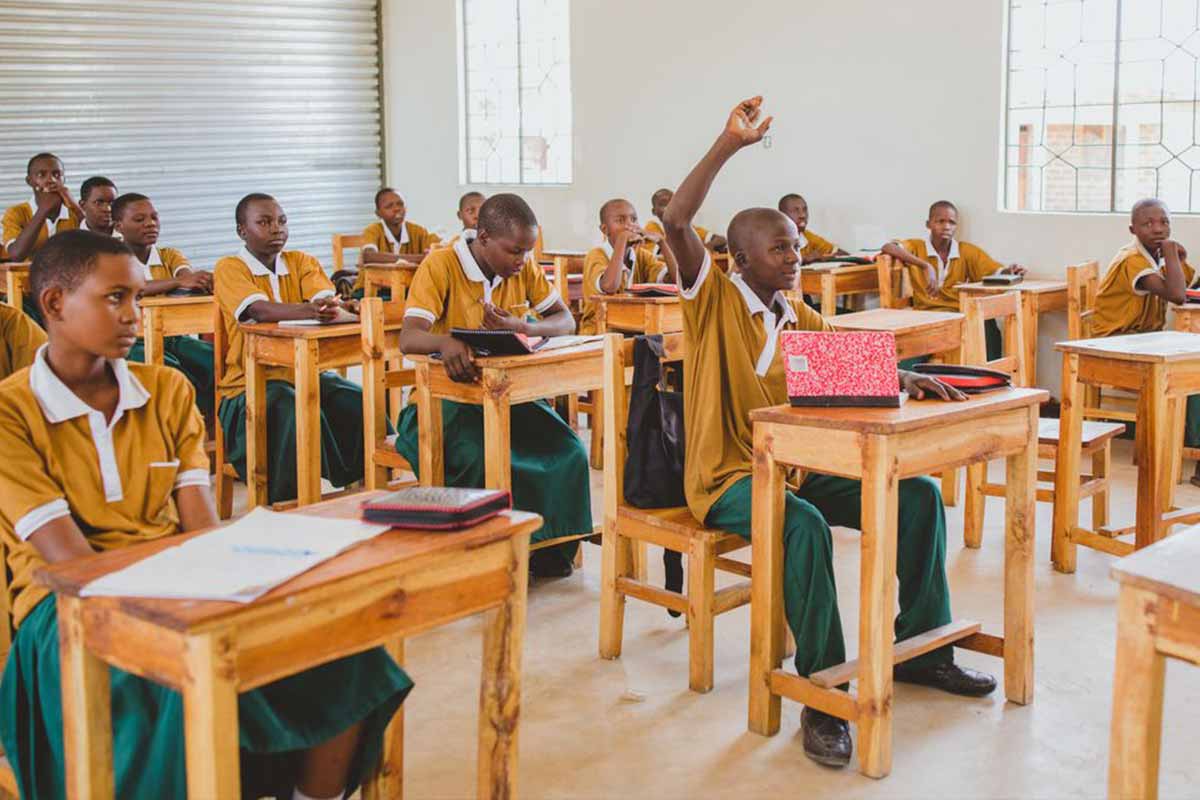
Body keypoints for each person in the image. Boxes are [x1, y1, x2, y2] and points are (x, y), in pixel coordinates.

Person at [0, 230, 410, 800]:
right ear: (53, 304)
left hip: (182, 581)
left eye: (138, 299)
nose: (133, 316)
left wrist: (248, 585)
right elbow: (70, 563)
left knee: (342, 651)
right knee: (176, 682)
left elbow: (200, 530)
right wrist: (192, 606)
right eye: (115, 298)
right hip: (66, 610)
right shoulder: (11, 411)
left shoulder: (165, 389)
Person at [664, 97, 996, 768]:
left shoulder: (796, 312)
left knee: (919, 496)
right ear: (741, 258)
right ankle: (821, 692)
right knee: (803, 525)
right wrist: (730, 142)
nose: (793, 256)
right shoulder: (713, 301)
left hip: (798, 466)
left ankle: (925, 649)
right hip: (727, 476)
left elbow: (851, 362)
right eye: (778, 248)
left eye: (794, 245)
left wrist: (904, 378)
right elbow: (676, 219)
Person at [396, 193, 591, 578]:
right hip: (446, 402)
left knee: (568, 450)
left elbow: (565, 320)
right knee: (484, 456)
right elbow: (408, 337)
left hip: (509, 395)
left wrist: (524, 327)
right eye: (514, 251)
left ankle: (547, 550)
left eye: (527, 251)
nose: (521, 260)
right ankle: (482, 558)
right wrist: (445, 343)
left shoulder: (523, 267)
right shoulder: (442, 264)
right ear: (482, 236)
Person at [214, 193, 369, 504]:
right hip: (245, 386)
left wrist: (328, 306)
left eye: (282, 221)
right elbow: (259, 311)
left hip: (302, 374)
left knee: (353, 397)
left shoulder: (300, 262)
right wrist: (312, 311)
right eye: (264, 222)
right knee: (287, 404)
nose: (277, 229)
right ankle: (286, 501)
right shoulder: (230, 268)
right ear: (242, 231)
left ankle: (364, 486)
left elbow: (324, 299)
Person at [1090, 198, 1200, 483]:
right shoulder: (1132, 259)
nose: (1158, 228)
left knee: (1194, 370)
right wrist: (1171, 255)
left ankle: (1191, 451)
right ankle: (1193, 453)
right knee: (1191, 373)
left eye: (1164, 222)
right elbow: (1176, 295)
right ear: (1132, 229)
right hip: (1114, 344)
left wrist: (1177, 259)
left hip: (1142, 339)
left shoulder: (1154, 255)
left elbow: (1184, 285)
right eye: (1148, 223)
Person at [112, 192, 215, 414]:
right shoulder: (110, 257)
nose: (150, 224)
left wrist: (193, 281)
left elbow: (189, 278)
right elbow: (131, 289)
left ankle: (207, 424)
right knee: (172, 373)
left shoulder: (168, 255)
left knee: (214, 360)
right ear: (118, 226)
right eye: (139, 220)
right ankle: (180, 426)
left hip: (173, 337)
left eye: (154, 218)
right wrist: (178, 282)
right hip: (132, 341)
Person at [881, 201, 1024, 360]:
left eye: (951, 222)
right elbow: (888, 247)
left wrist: (1010, 271)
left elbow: (993, 271)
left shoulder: (965, 251)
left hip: (957, 314)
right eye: (940, 221)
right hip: (926, 315)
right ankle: (910, 379)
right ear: (928, 224)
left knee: (988, 324)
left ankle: (990, 378)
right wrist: (925, 265)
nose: (946, 226)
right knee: (911, 340)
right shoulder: (917, 247)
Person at [578, 198, 675, 334]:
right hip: (600, 331)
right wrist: (622, 241)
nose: (630, 225)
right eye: (620, 220)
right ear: (605, 229)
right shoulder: (596, 255)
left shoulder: (641, 255)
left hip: (634, 327)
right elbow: (609, 286)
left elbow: (675, 279)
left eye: (634, 219)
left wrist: (662, 243)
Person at [1, 152, 82, 263]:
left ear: (64, 180)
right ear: (29, 181)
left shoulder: (74, 211)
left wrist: (74, 206)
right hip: (28, 279)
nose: (51, 180)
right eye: (41, 175)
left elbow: (97, 244)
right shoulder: (16, 213)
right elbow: (16, 255)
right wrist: (43, 210)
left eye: (57, 175)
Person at [643, 187, 727, 253]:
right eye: (663, 204)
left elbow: (721, 240)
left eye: (673, 202)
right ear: (654, 211)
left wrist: (707, 247)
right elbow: (662, 251)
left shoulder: (686, 227)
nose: (669, 207)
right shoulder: (652, 227)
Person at [777, 193, 848, 263]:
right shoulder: (774, 239)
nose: (803, 215)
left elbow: (842, 254)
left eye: (804, 210)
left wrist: (826, 257)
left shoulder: (806, 236)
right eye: (796, 210)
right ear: (782, 215)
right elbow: (774, 262)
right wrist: (804, 259)